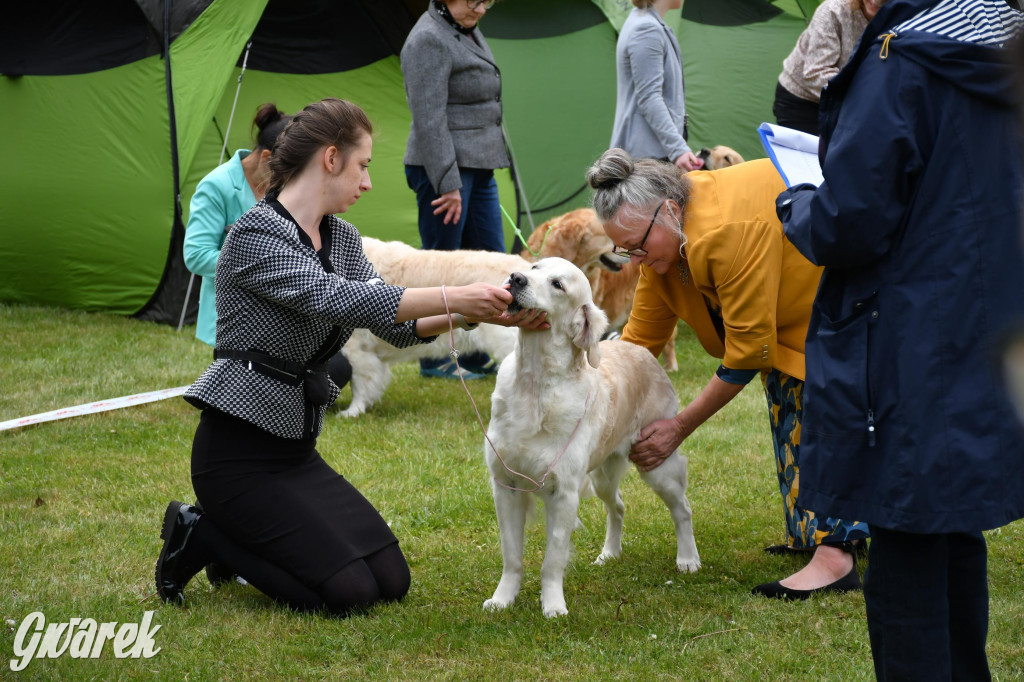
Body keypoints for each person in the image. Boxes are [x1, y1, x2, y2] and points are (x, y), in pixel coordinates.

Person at [155, 97, 545, 617]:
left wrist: (476, 315)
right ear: (330, 159)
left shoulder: (339, 237)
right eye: (363, 166)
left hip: (294, 454)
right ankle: (204, 535)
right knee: (348, 594)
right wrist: (456, 294)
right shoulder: (253, 235)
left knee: (390, 580)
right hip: (236, 461)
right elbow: (336, 298)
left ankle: (234, 537)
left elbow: (395, 325)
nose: (366, 183)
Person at [777, 0, 1024, 677]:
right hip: (988, 315)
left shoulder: (903, 58)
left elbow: (849, 220)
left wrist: (797, 204)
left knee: (910, 537)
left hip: (910, 329)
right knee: (951, 521)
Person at [586, 148, 869, 599]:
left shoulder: (726, 232)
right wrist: (588, 391)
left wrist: (678, 426)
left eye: (639, 245)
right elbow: (639, 345)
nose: (635, 261)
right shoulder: (665, 242)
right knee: (788, 410)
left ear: (672, 210)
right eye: (624, 251)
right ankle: (814, 536)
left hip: (835, 301)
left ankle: (835, 556)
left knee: (822, 413)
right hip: (793, 314)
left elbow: (746, 352)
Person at [182, 103, 353, 388]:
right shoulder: (216, 186)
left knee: (334, 369)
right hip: (235, 319)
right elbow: (196, 256)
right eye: (285, 169)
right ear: (266, 157)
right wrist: (263, 264)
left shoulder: (283, 189)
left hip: (284, 314)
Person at [401, 0, 509, 380]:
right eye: (474, 0)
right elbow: (428, 118)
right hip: (443, 171)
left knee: (492, 263)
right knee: (442, 266)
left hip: (477, 168)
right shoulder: (427, 40)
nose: (482, 8)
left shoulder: (462, 27)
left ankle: (477, 352)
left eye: (488, 1)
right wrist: (447, 183)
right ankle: (435, 358)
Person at [611, 0, 704, 172]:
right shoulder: (647, 29)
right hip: (646, 161)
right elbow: (649, 98)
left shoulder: (647, 23)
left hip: (650, 157)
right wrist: (678, 150)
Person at [773, 0, 887, 135]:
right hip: (804, 100)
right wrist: (865, 95)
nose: (875, 1)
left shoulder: (901, 21)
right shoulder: (833, 10)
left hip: (850, 105)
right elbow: (815, 73)